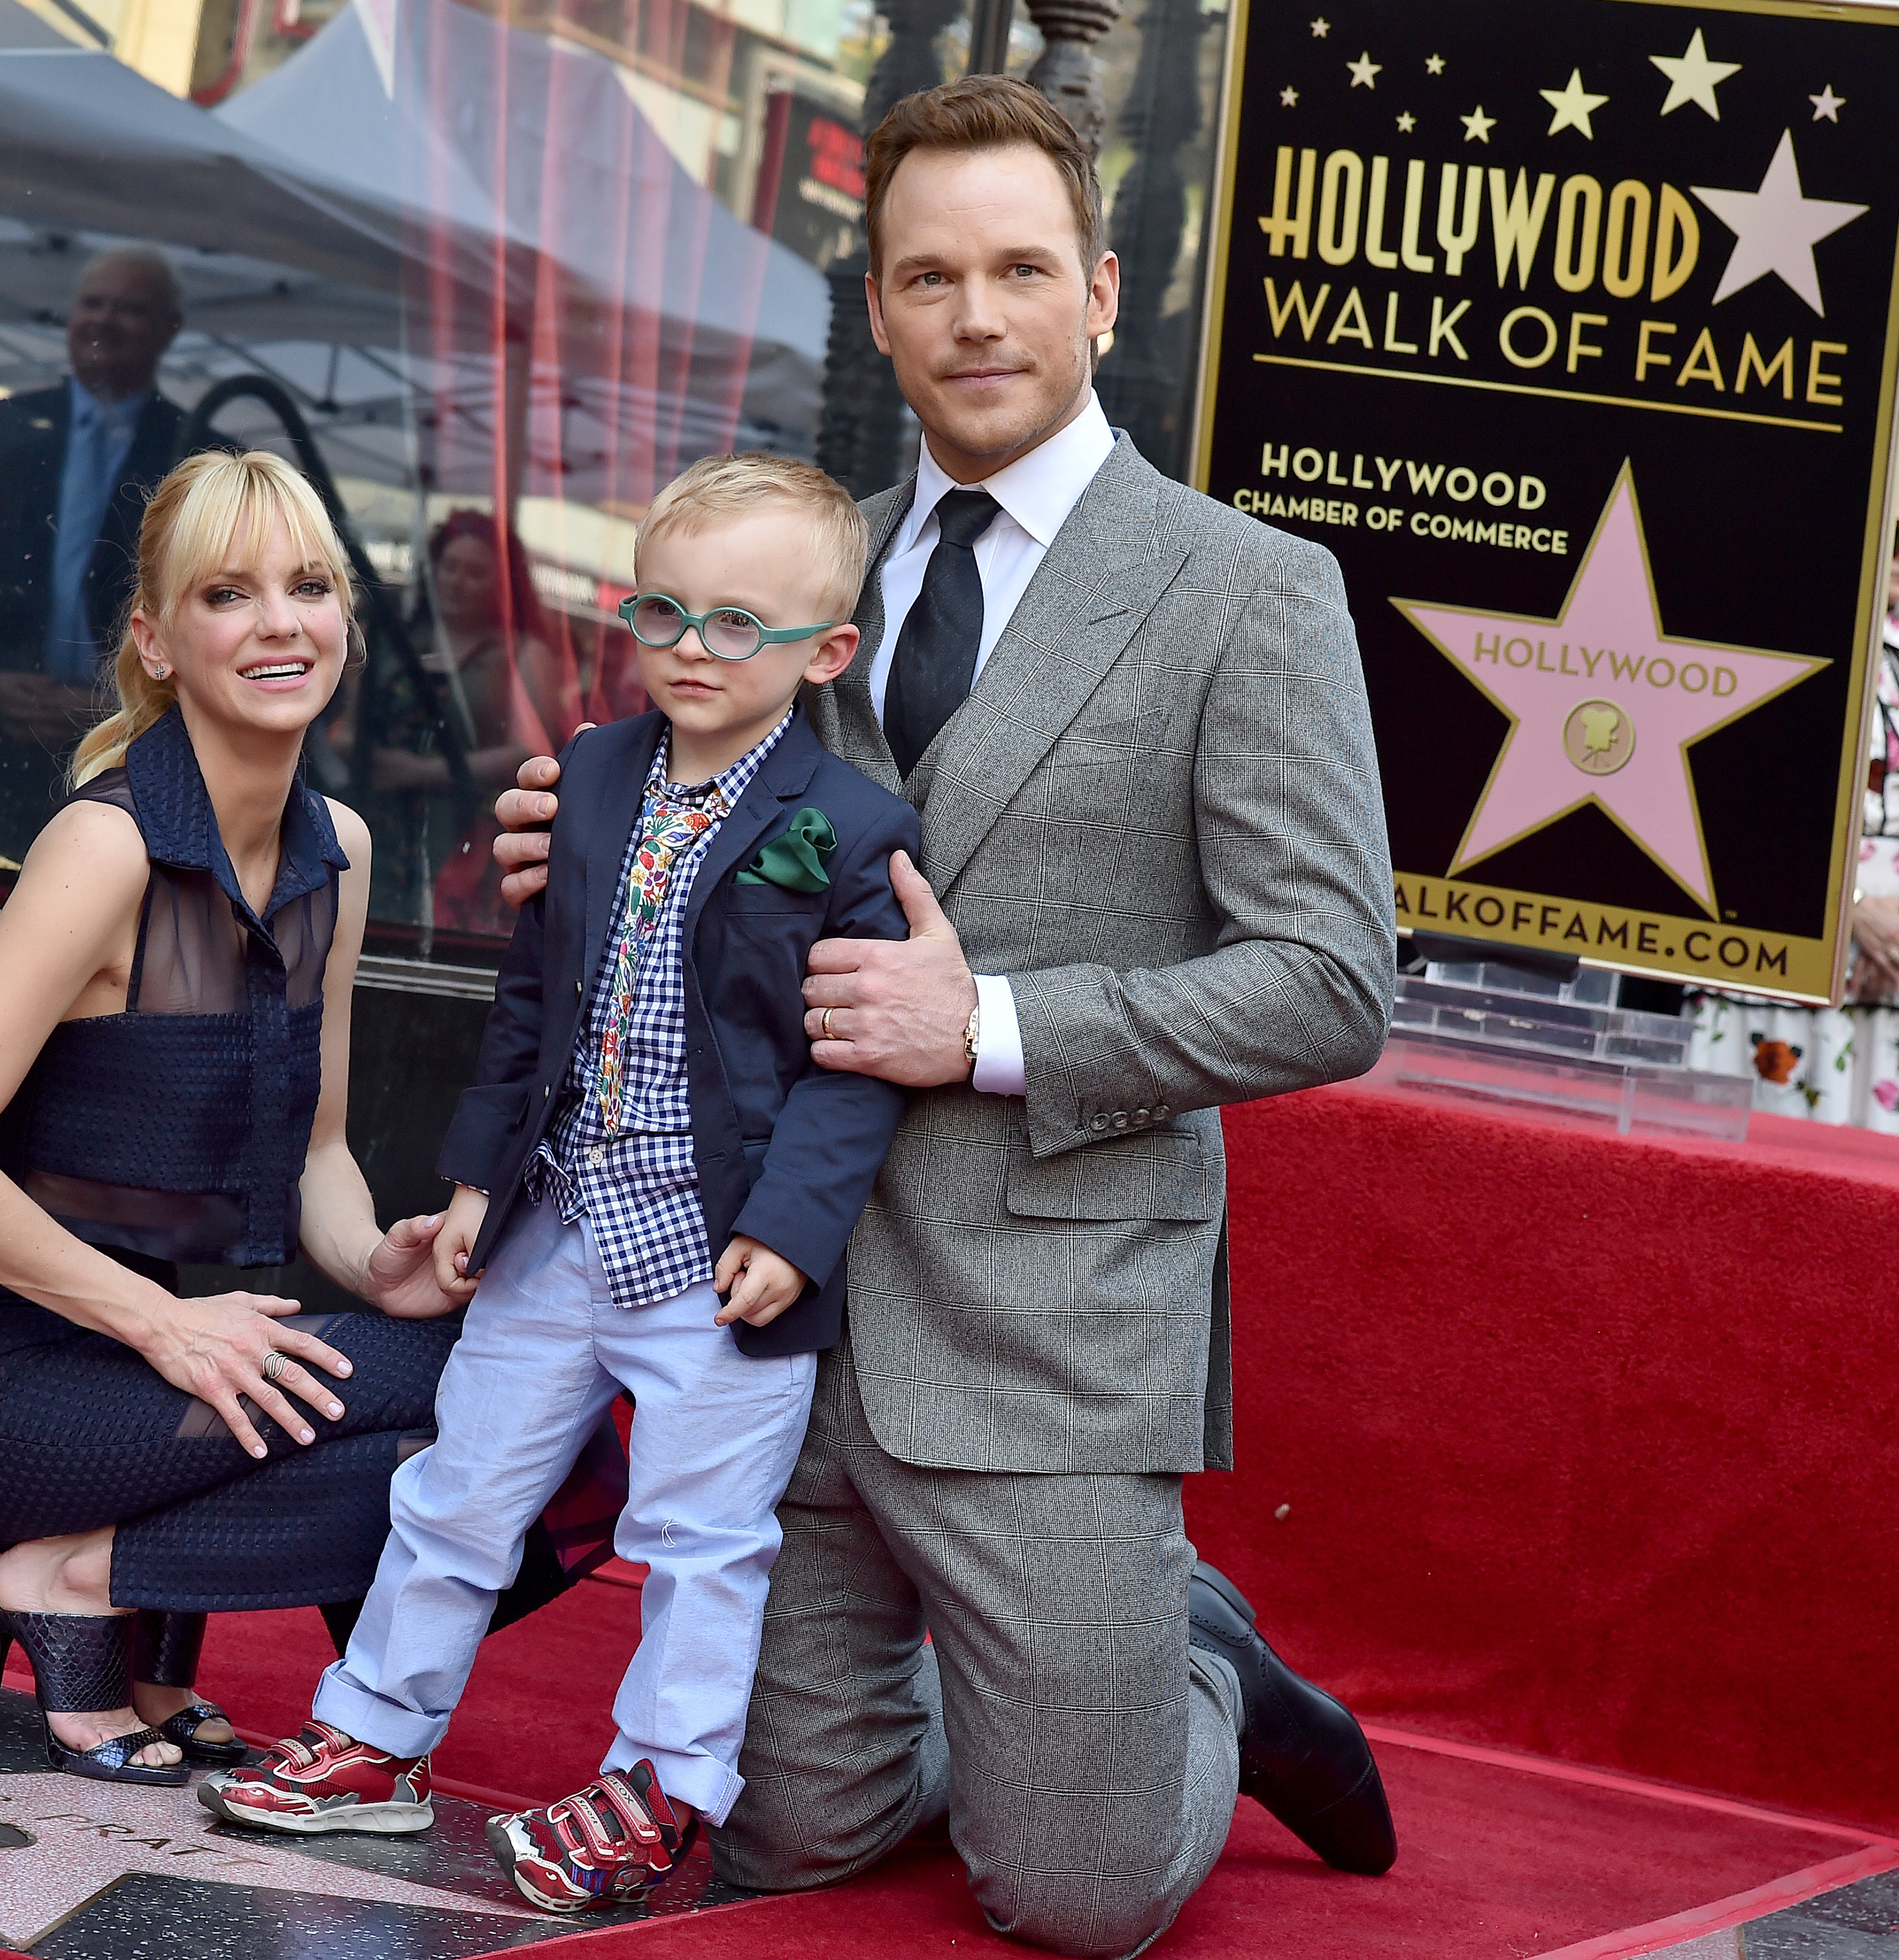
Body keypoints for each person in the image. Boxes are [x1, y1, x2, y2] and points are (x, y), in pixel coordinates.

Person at [487, 76, 1398, 1955]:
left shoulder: (1250, 591)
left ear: (1100, 293)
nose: (976, 316)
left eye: (1020, 270)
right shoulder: (801, 576)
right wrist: (585, 850)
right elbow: (707, 863)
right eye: (929, 277)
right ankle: (1047, 1700)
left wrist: (979, 1019)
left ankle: (1200, 1670)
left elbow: (1330, 980)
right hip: (774, 1311)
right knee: (775, 1837)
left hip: (1046, 1326)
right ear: (881, 311)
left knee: (1073, 1895)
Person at [201, 454, 921, 1914]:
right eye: (663, 613)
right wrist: (478, 1180)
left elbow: (854, 1067)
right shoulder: (591, 772)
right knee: (458, 1488)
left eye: (739, 624)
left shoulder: (850, 825)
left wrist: (792, 1228)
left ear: (827, 652)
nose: (693, 649)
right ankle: (374, 1735)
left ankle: (662, 1784)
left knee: (703, 1536)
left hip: (718, 1252)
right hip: (558, 1218)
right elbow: (531, 995)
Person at [0, 448, 490, 1784]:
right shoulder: (105, 849)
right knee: (468, 1394)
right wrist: (161, 1319)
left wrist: (374, 1256)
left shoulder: (340, 850)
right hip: (8, 1383)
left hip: (177, 1368)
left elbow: (315, 1146)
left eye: (309, 587)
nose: (279, 623)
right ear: (155, 640)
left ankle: (108, 1588)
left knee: (513, 1378)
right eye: (227, 593)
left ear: (347, 620)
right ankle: (69, 1578)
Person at [1689, 474, 1899, 1137]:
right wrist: (1852, 910)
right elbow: (1736, 807)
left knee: (1882, 1184)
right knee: (1741, 1167)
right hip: (1774, 947)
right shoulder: (1774, 640)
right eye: (1896, 535)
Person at [0, 250, 194, 853]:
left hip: (122, 765)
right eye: (93, 303)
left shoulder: (194, 450)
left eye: (129, 309)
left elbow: (206, 611)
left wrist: (122, 702)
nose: (104, 320)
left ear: (169, 328)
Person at [351, 512, 576, 935]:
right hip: (377, 827)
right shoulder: (390, 640)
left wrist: (422, 772)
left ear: (504, 583)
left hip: (469, 840)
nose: (457, 581)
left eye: (476, 572)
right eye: (450, 566)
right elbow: (343, 733)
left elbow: (536, 757)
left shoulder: (523, 655)